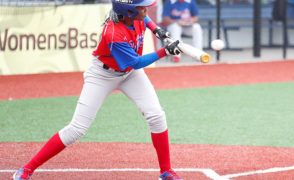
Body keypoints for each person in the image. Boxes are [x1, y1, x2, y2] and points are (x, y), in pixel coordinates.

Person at [12, 0, 183, 179]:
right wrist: (165, 52)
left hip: (129, 74)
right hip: (102, 75)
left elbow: (145, 19)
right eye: (141, 6)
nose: (146, 8)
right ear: (129, 11)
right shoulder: (114, 32)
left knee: (156, 115)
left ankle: (166, 171)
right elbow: (135, 62)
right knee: (77, 129)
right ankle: (27, 168)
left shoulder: (134, 16)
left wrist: (157, 30)